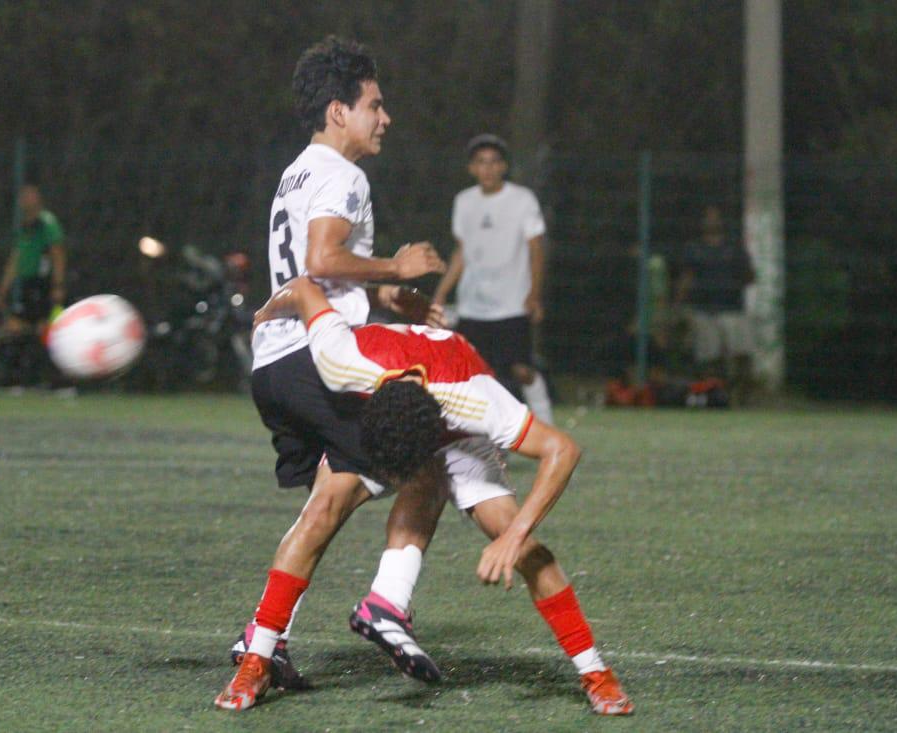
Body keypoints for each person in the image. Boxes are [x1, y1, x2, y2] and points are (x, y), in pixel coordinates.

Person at [248, 275, 635, 716]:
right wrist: (268, 311)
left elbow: (562, 450)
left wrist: (511, 539)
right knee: (321, 510)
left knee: (527, 550)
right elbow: (301, 287)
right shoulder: (343, 361)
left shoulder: (477, 403)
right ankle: (257, 659)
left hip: (457, 419)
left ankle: (595, 673)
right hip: (392, 396)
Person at [214, 36, 448, 711]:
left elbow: (318, 265)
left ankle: (261, 648)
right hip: (322, 358)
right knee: (429, 459)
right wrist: (395, 268)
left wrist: (385, 294)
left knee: (328, 502)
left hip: (278, 364)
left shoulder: (296, 171)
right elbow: (324, 253)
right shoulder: (345, 176)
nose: (386, 117)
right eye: (374, 104)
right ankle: (384, 604)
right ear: (339, 110)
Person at [432, 134, 554, 424]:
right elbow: (462, 251)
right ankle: (483, 439)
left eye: (494, 162)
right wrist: (440, 294)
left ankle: (548, 429)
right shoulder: (464, 202)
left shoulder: (522, 200)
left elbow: (536, 248)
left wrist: (534, 294)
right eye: (481, 163)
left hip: (512, 303)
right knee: (471, 372)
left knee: (522, 370)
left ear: (504, 167)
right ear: (471, 168)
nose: (488, 168)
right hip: (473, 305)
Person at [0, 184, 66, 384]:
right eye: (22, 196)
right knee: (16, 328)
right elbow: (15, 259)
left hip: (43, 284)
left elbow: (57, 253)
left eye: (29, 195)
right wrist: (2, 290)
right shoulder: (24, 226)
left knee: (45, 330)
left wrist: (57, 285)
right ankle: (19, 378)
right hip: (28, 284)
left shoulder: (46, 222)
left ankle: (55, 381)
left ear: (38, 198)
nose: (25, 199)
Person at [672, 205, 755, 379]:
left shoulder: (734, 248)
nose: (712, 221)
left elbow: (750, 276)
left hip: (732, 308)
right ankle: (714, 393)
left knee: (741, 354)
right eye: (708, 217)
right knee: (709, 358)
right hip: (704, 309)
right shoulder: (694, 249)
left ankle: (740, 394)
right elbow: (686, 277)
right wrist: (678, 305)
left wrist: (735, 281)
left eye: (715, 217)